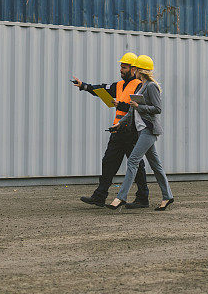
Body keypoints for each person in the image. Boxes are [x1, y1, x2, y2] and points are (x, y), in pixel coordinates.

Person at [72, 53, 151, 208]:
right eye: (121, 66)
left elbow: (137, 109)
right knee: (109, 162)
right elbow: (102, 89)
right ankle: (100, 196)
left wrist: (120, 105)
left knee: (135, 165)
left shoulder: (139, 86)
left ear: (133, 69)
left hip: (132, 131)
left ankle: (143, 198)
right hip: (118, 130)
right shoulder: (119, 85)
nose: (121, 69)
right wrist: (85, 86)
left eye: (124, 67)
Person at [107, 55, 174, 211]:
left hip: (148, 130)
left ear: (139, 70)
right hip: (141, 130)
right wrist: (118, 125)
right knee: (156, 166)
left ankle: (121, 197)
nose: (134, 70)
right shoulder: (141, 86)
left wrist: (139, 106)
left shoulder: (151, 86)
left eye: (135, 68)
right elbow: (131, 112)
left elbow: (158, 109)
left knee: (132, 161)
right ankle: (168, 196)